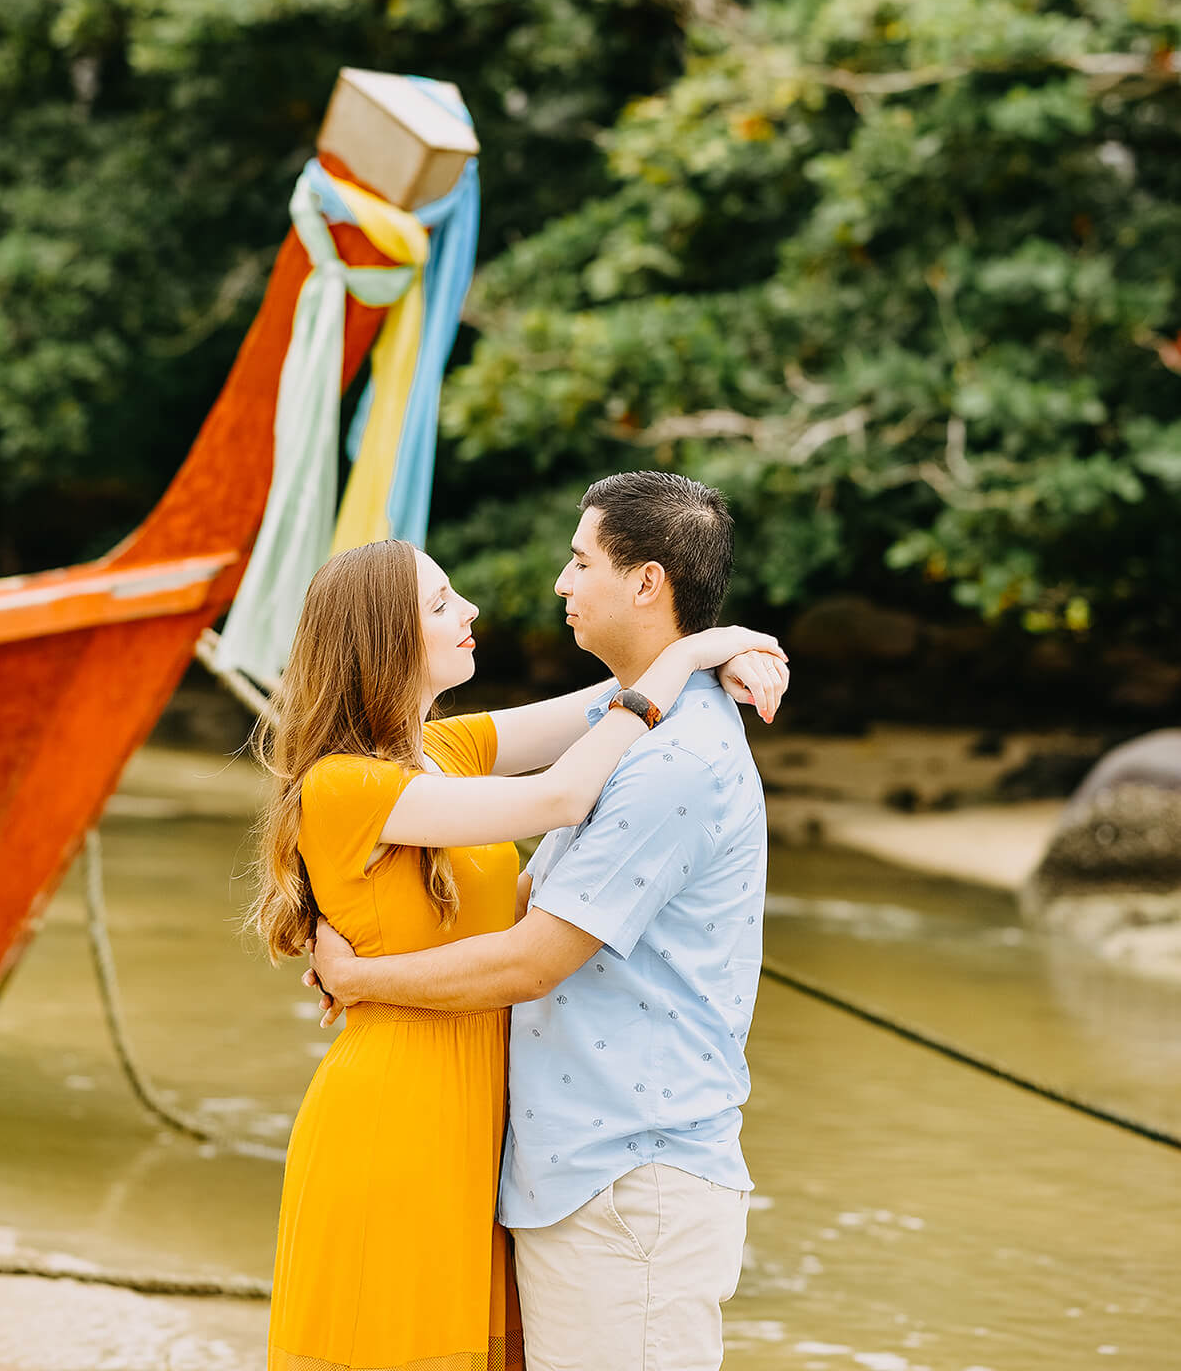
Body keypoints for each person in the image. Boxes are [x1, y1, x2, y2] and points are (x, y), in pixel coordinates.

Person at [250, 528, 785, 1371]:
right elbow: (567, 793)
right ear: (384, 640)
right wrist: (686, 663)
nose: (469, 610)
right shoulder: (345, 784)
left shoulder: (449, 753)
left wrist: (717, 652)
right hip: (398, 1106)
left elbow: (607, 701)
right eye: (439, 603)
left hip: (487, 1114)